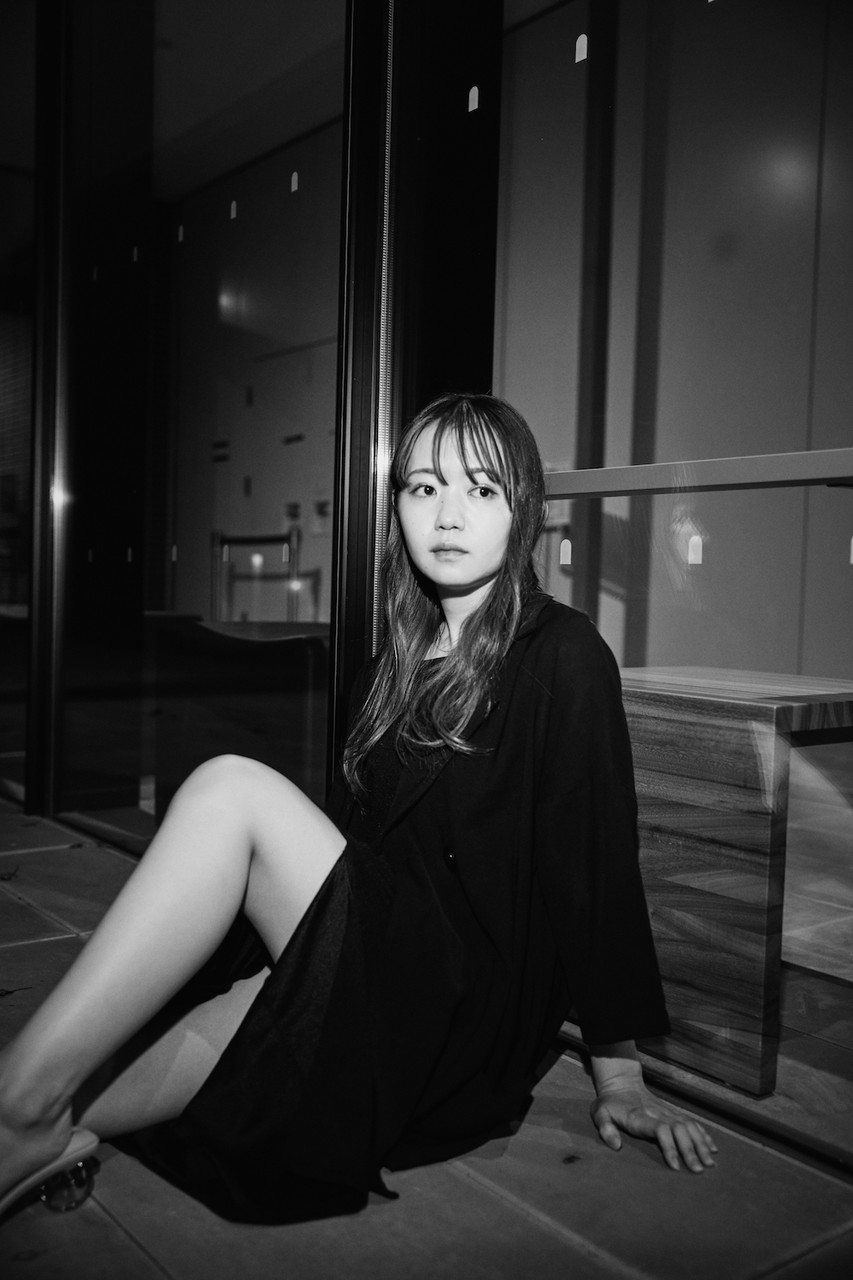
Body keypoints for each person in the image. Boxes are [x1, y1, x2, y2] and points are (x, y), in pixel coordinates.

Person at [0, 392, 716, 1225]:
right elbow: (355, 848)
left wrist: (618, 1072)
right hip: (371, 962)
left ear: (523, 510)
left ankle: (20, 1107)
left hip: (454, 1003)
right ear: (398, 508)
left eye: (481, 489)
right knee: (80, 1096)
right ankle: (26, 1120)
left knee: (229, 787)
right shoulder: (390, 666)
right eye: (423, 488)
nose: (447, 514)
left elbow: (591, 865)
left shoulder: (563, 653)